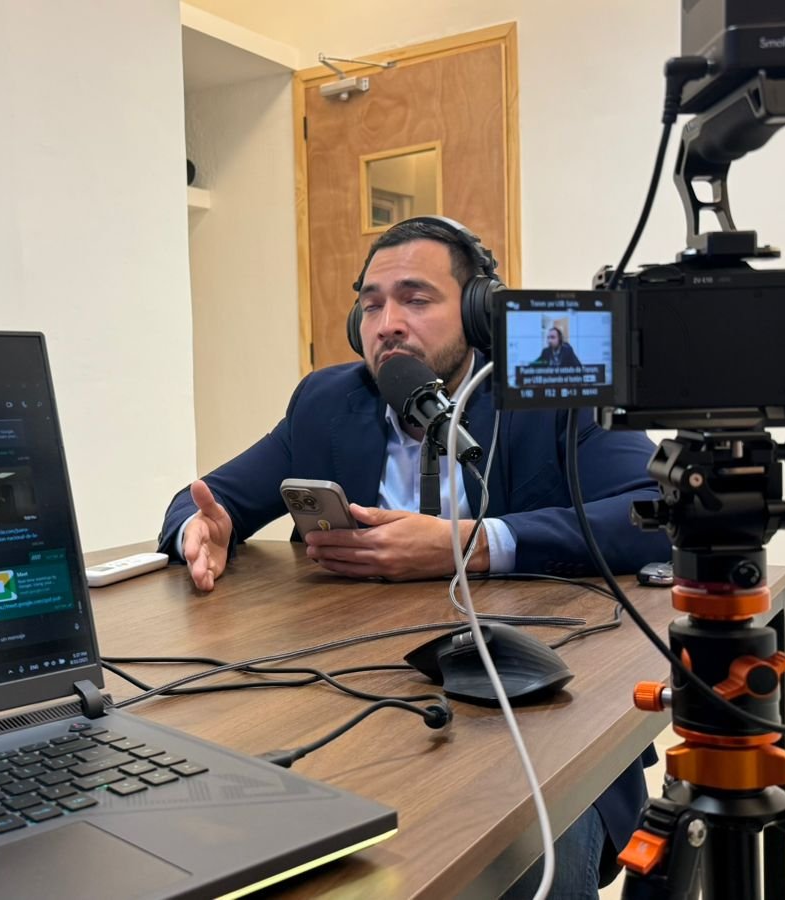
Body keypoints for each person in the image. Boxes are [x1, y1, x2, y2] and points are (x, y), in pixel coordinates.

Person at [156, 218, 670, 897]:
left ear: (481, 311)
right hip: (373, 702)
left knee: (521, 867)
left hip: (538, 717)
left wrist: (473, 543)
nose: (387, 323)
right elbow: (205, 498)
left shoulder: (555, 376)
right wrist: (200, 527)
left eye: (416, 298)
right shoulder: (328, 400)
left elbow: (657, 513)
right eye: (371, 304)